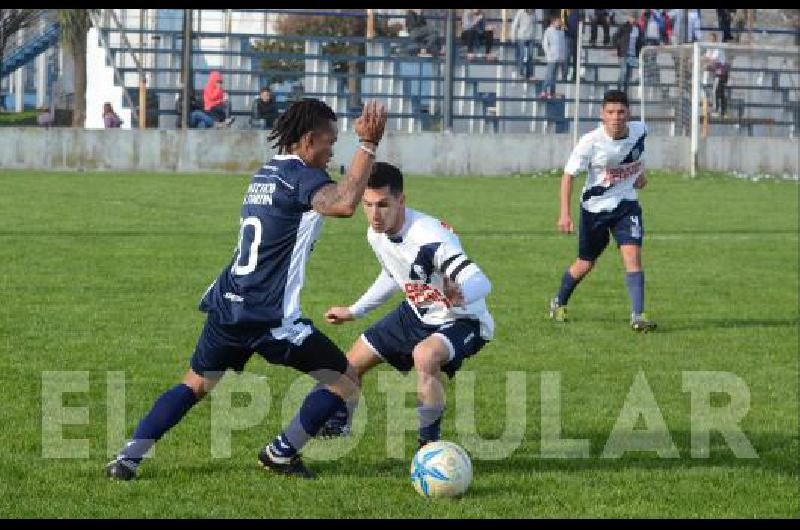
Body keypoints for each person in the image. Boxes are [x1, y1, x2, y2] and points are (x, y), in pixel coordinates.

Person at [105, 99, 388, 481]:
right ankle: (281, 453)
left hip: (228, 303)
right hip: (270, 317)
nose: (332, 150)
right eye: (329, 142)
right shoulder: (301, 178)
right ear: (308, 141)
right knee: (346, 380)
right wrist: (368, 146)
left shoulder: (267, 173)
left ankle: (128, 458)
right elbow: (343, 204)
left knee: (196, 383)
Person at [296, 161, 494, 456]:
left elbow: (480, 280)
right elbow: (393, 274)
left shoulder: (429, 239)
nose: (374, 215)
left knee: (425, 355)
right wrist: (355, 310)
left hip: (462, 319)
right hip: (415, 312)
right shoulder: (375, 234)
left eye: (383, 205)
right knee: (348, 366)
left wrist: (461, 294)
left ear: (401, 200)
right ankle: (338, 423)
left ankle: (429, 449)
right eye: (367, 204)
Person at [548, 89, 657, 332]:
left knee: (632, 256)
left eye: (621, 112)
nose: (616, 117)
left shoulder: (640, 130)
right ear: (602, 114)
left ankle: (638, 315)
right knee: (585, 263)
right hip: (594, 210)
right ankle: (559, 301)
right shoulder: (590, 142)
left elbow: (636, 154)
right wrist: (564, 214)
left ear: (628, 114)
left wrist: (639, 175)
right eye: (610, 112)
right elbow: (568, 177)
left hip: (626, 205)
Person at [612, 14, 643, 97]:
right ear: (629, 18)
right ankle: (618, 91)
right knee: (623, 72)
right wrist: (616, 48)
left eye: (635, 18)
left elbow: (640, 42)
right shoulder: (624, 26)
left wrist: (639, 53)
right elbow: (615, 37)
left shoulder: (638, 29)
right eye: (632, 17)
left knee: (628, 76)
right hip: (624, 53)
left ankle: (625, 94)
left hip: (632, 55)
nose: (634, 19)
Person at [540, 15, 567, 98]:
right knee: (549, 75)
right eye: (558, 21)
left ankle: (552, 92)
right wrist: (548, 53)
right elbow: (545, 44)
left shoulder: (561, 32)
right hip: (551, 57)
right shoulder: (548, 31)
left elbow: (562, 46)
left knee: (554, 76)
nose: (559, 23)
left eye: (559, 22)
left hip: (558, 57)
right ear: (553, 22)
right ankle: (543, 91)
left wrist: (563, 57)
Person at [703, 33, 729, 117]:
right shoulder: (710, 49)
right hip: (717, 73)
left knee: (715, 91)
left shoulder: (718, 49)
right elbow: (707, 58)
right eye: (709, 40)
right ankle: (723, 111)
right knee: (720, 92)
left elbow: (712, 59)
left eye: (712, 40)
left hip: (722, 74)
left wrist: (704, 63)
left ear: (715, 40)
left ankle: (716, 110)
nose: (710, 41)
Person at [511, 9, 536, 79]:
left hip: (531, 37)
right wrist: (513, 37)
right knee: (521, 55)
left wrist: (534, 36)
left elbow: (534, 25)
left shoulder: (534, 14)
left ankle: (530, 74)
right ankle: (520, 73)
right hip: (521, 37)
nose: (531, 12)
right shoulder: (520, 12)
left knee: (530, 55)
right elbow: (514, 25)